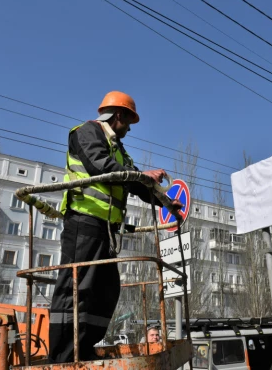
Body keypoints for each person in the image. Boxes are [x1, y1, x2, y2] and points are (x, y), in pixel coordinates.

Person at [49, 91, 182, 363]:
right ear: (118, 115)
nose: (130, 129)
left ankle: (84, 347)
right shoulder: (86, 132)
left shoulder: (118, 149)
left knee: (106, 289)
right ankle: (63, 357)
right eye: (129, 122)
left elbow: (136, 183)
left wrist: (166, 203)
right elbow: (99, 166)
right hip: (83, 222)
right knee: (76, 288)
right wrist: (141, 175)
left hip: (106, 230)